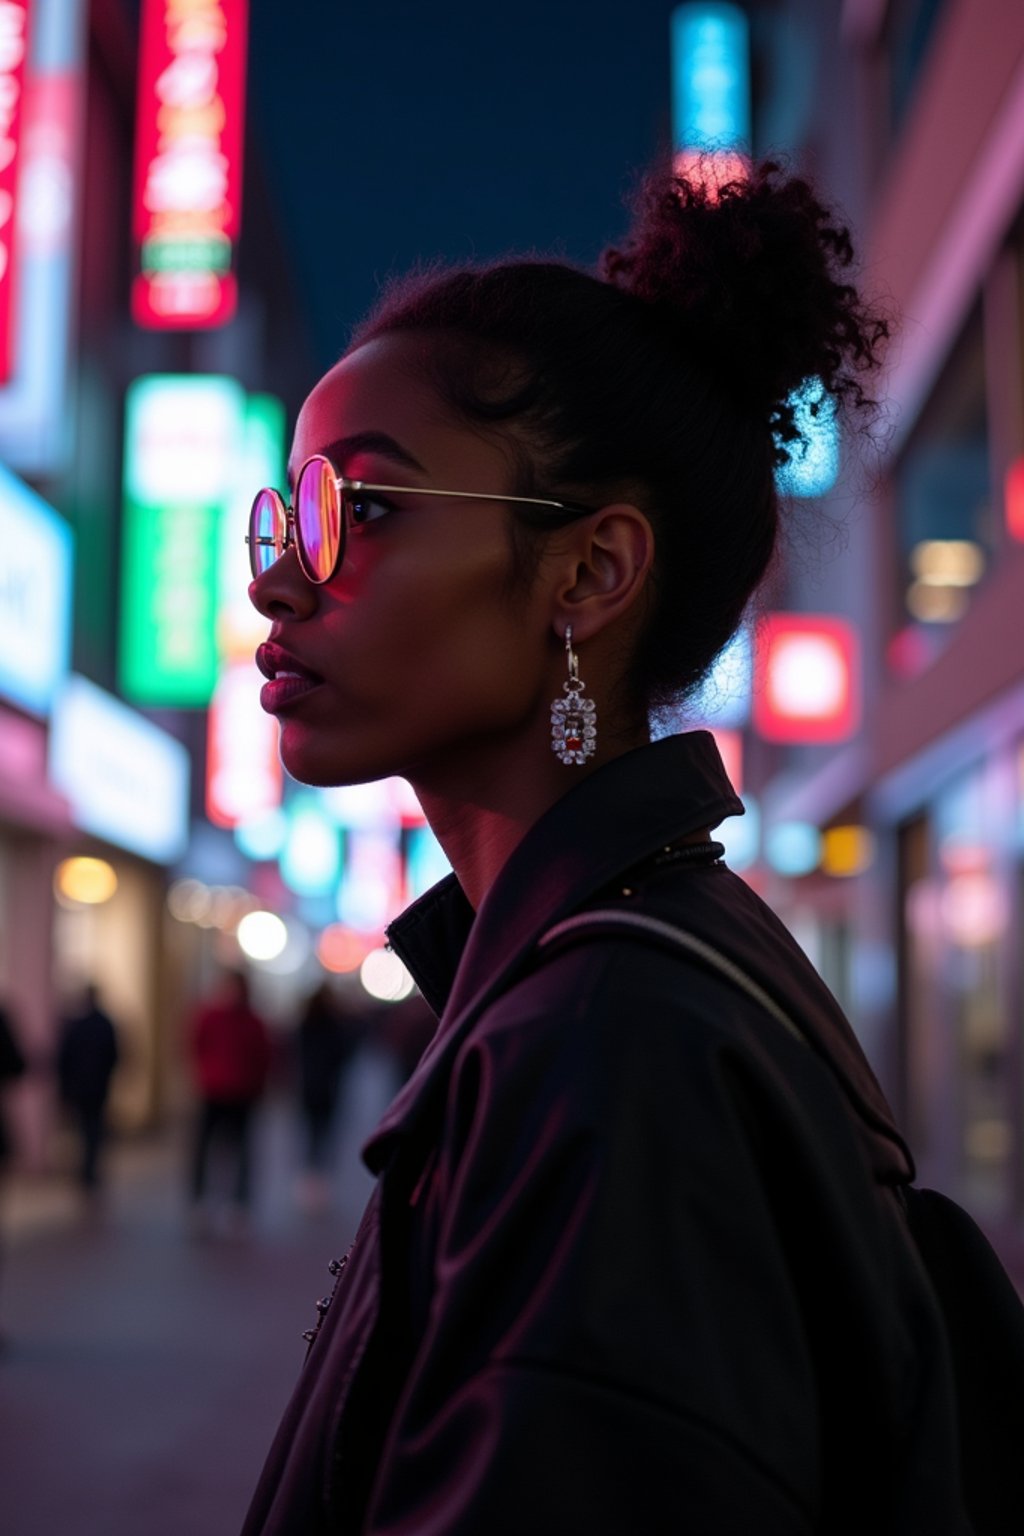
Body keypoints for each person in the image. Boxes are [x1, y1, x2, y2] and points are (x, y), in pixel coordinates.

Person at [239, 161, 976, 1533]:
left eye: (365, 510)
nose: (281, 576)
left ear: (590, 573)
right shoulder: (614, 975)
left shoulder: (608, 1047)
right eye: (285, 516)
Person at [187, 968, 271, 1234]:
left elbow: (264, 1054)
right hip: (213, 1090)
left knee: (241, 1149)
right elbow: (195, 1045)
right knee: (203, 1148)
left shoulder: (251, 1020)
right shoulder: (210, 1016)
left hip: (243, 1093)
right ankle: (200, 1201)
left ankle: (238, 1204)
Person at [293, 980, 362, 1210]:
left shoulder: (305, 1023)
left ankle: (310, 1178)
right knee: (326, 1133)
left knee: (311, 1131)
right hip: (330, 1087)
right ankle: (320, 1181)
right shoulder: (336, 1024)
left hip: (308, 1085)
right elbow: (345, 1052)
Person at [56, 982, 119, 1195]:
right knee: (93, 1130)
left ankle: (87, 1170)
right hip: (97, 1086)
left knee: (87, 1129)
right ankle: (88, 1169)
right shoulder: (104, 1024)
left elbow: (64, 1058)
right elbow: (114, 1055)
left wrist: (65, 1088)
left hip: (83, 1087)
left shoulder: (78, 1025)